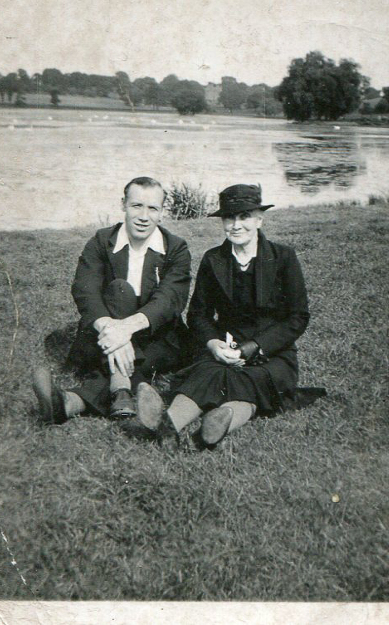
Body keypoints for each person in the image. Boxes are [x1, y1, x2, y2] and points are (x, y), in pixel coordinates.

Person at [135, 183, 312, 449]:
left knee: (253, 379)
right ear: (222, 222)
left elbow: (298, 317)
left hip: (272, 352)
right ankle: (168, 424)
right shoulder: (213, 259)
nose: (236, 225)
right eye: (229, 218)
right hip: (226, 347)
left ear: (259, 220)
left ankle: (214, 428)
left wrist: (254, 347)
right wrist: (213, 344)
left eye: (245, 217)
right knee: (207, 372)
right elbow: (198, 314)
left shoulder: (283, 257)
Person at [33, 176, 191, 422]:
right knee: (120, 290)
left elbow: (170, 298)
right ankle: (121, 390)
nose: (144, 216)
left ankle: (69, 403)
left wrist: (124, 330)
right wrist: (115, 333)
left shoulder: (175, 248)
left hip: (155, 337)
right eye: (136, 206)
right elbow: (85, 290)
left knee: (137, 352)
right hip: (104, 332)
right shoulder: (101, 241)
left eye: (152, 208)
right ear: (123, 205)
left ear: (161, 212)